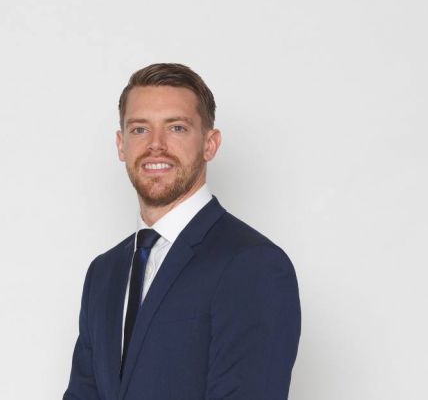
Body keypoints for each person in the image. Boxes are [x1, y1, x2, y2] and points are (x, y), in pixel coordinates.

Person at [63, 63, 301, 400]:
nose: (155, 145)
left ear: (210, 143)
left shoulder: (253, 265)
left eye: (176, 128)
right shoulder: (104, 273)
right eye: (139, 130)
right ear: (121, 145)